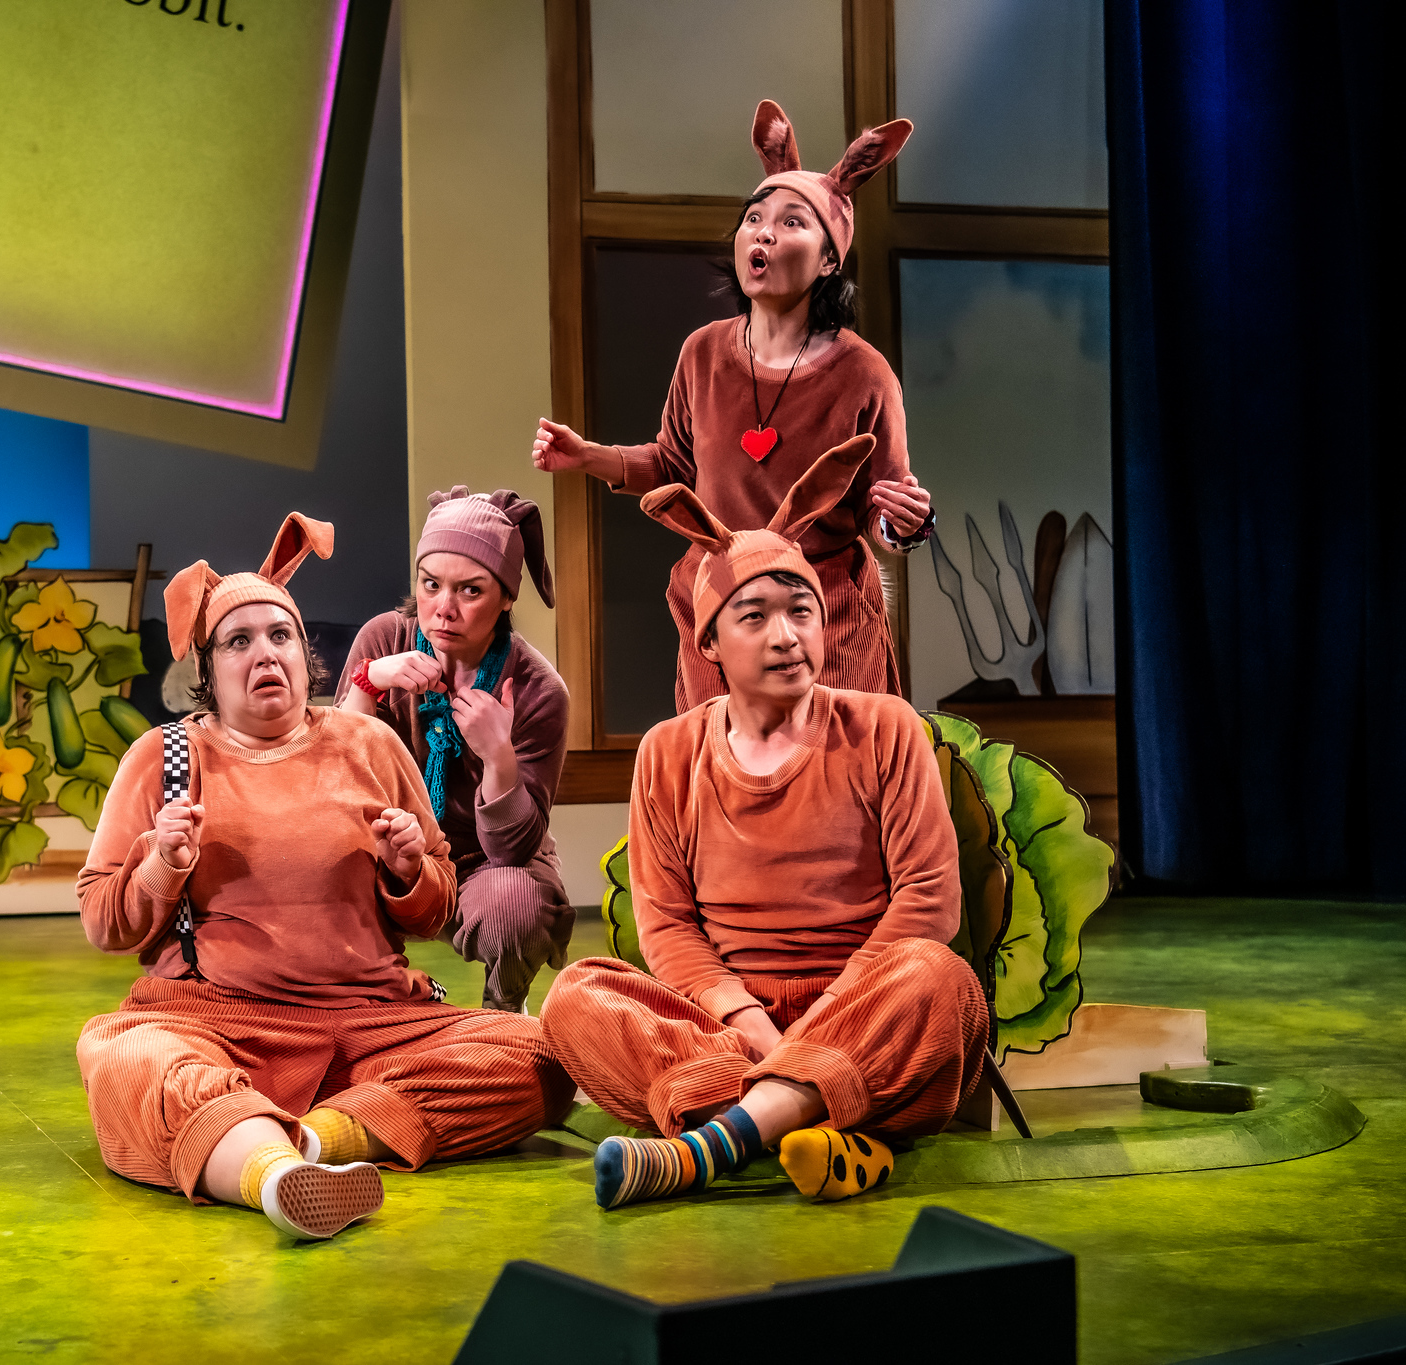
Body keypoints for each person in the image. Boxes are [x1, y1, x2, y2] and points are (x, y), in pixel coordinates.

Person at [75, 512, 573, 1241]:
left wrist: (411, 869)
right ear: (207, 669)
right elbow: (100, 917)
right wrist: (158, 868)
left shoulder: (368, 742)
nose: (264, 654)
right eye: (238, 642)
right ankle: (272, 1176)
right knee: (128, 1057)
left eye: (280, 636)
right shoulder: (165, 757)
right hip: (222, 1022)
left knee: (542, 1058)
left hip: (373, 1025)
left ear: (305, 653)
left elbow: (432, 912)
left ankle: (319, 1142)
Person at [538, 438, 988, 1207]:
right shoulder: (670, 751)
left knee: (940, 982)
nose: (786, 635)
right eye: (756, 616)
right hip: (730, 1020)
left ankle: (713, 1144)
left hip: (864, 1002)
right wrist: (749, 1021)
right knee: (575, 997)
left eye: (802, 611)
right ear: (708, 640)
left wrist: (826, 1016)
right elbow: (669, 926)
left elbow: (929, 902)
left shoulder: (885, 727)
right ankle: (815, 1120)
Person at [531, 98, 936, 709]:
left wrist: (907, 523)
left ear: (830, 258)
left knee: (836, 780)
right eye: (755, 217)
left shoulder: (864, 372)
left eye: (793, 221)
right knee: (720, 783)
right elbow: (673, 466)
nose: (765, 231)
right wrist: (587, 455)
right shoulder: (703, 352)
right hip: (717, 598)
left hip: (822, 610)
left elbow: (888, 513)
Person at [336, 487, 572, 1012]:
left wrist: (499, 756)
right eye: (431, 585)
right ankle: (368, 1004)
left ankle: (503, 1011)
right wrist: (368, 685)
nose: (444, 608)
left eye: (470, 591)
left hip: (484, 866)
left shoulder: (539, 690)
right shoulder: (383, 640)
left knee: (517, 904)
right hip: (386, 849)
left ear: (507, 597)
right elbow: (330, 780)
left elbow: (514, 850)